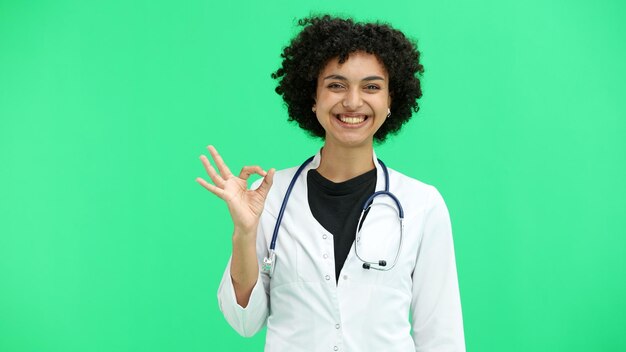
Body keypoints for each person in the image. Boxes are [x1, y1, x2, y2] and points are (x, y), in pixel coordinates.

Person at [196, 15, 465, 352]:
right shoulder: (268, 196)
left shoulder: (421, 204)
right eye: (336, 85)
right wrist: (245, 233)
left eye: (371, 86)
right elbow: (243, 323)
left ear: (391, 100)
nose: (352, 102)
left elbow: (442, 336)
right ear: (313, 97)